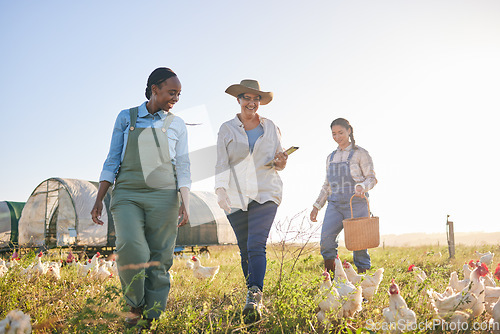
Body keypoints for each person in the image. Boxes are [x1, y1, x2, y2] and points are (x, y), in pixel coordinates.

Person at [91, 67, 191, 330]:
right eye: (172, 92)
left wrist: (186, 202)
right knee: (132, 248)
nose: (176, 98)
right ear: (154, 88)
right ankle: (135, 304)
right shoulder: (127, 117)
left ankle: (153, 315)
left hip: (165, 195)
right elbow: (112, 159)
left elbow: (183, 166)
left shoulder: (177, 124)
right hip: (127, 193)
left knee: (160, 257)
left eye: (179, 94)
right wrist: (99, 197)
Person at [215, 79, 287, 323]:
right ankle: (251, 295)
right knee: (244, 248)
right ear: (238, 100)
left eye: (256, 98)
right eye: (246, 97)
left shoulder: (271, 127)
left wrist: (282, 161)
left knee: (256, 243)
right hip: (235, 195)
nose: (251, 102)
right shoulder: (227, 128)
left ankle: (255, 294)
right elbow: (221, 162)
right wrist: (220, 190)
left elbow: (280, 159)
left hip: (266, 191)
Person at [310, 118, 377, 274]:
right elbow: (327, 185)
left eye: (340, 132)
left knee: (359, 246)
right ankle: (333, 282)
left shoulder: (361, 153)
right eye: (334, 134)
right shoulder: (330, 157)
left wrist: (362, 187)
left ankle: (363, 285)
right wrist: (316, 206)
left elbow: (371, 178)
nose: (337, 137)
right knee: (326, 242)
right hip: (334, 205)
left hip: (357, 204)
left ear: (349, 131)